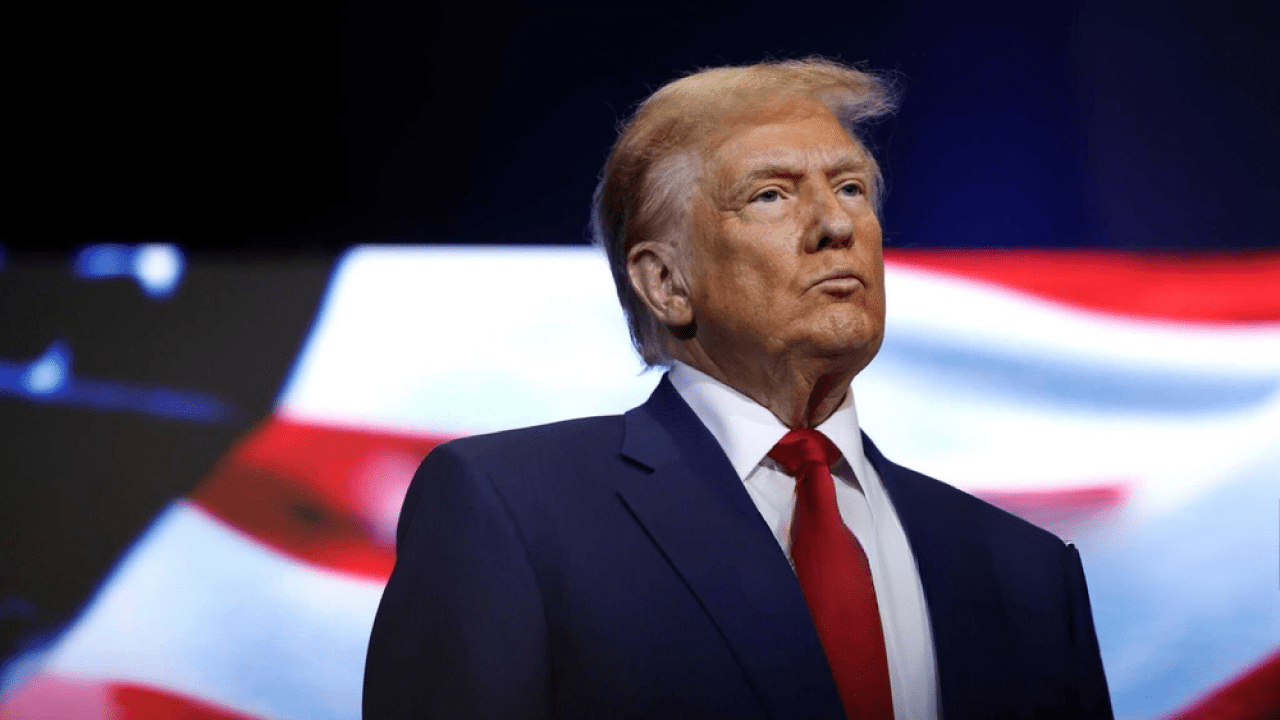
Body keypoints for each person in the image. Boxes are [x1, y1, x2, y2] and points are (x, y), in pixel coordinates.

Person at [363, 58, 1113, 720]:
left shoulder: (1026, 572)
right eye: (770, 196)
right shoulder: (514, 512)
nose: (835, 224)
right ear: (665, 282)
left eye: (851, 186)